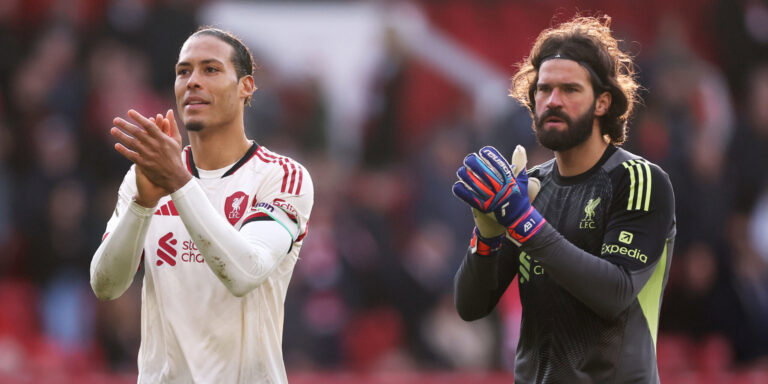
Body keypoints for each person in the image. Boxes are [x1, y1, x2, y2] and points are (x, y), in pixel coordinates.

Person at [452, 15, 675, 383]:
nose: (552, 100)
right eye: (543, 89)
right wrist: (488, 236)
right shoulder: (530, 189)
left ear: (603, 102)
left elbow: (614, 293)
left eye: (570, 89)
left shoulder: (639, 180)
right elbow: (471, 306)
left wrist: (522, 222)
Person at [90, 27, 313, 383]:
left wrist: (178, 182)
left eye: (210, 69)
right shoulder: (145, 177)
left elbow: (245, 272)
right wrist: (142, 205)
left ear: (246, 87)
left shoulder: (281, 177)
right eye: (183, 71)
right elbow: (106, 286)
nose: (193, 81)